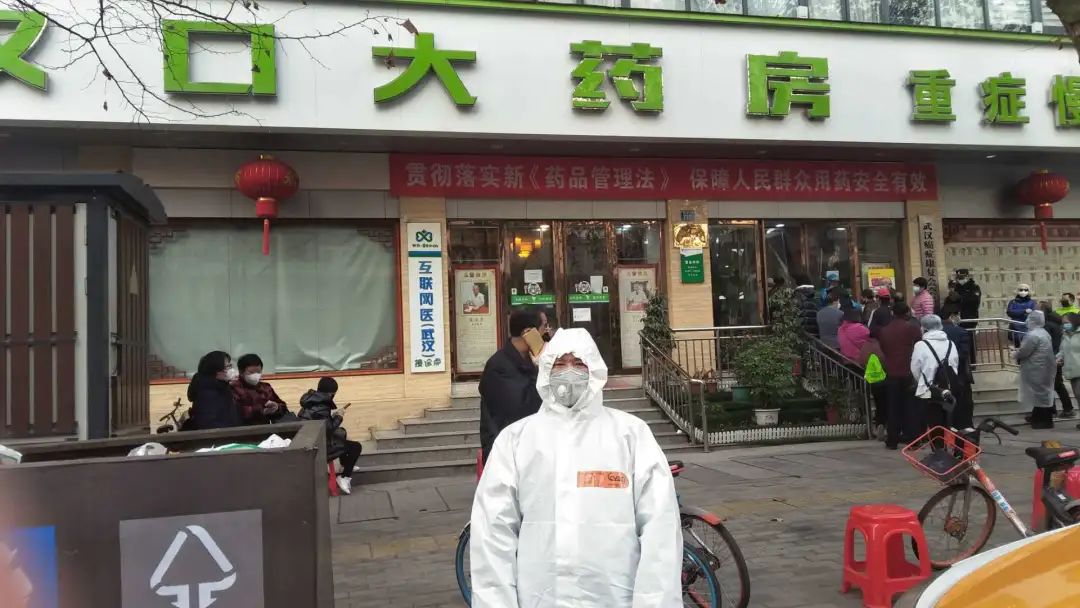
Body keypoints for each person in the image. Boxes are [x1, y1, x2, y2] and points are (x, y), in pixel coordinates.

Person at [469, 328, 682, 607]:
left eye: (579, 363)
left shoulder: (630, 435)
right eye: (560, 364)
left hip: (615, 597)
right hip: (541, 597)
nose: (569, 372)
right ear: (546, 370)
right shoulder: (517, 440)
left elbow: (660, 530)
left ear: (594, 369)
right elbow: (492, 533)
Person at [478, 309, 544, 464]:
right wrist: (542, 369)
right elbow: (523, 409)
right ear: (528, 332)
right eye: (544, 327)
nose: (547, 333)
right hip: (507, 454)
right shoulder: (499, 366)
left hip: (528, 450)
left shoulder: (529, 359)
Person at [299, 377, 362, 495]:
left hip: (311, 439)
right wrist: (339, 416)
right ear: (330, 393)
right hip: (318, 446)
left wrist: (332, 416)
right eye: (333, 394)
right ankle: (344, 477)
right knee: (356, 447)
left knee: (341, 432)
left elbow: (321, 422)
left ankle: (345, 465)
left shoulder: (311, 402)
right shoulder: (321, 406)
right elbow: (328, 429)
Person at [879, 303, 922, 449]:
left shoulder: (884, 330)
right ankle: (913, 439)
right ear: (907, 313)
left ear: (893, 313)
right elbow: (919, 346)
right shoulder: (912, 328)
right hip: (908, 371)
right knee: (910, 407)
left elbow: (884, 349)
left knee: (893, 408)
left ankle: (892, 439)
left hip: (891, 372)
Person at [911, 315, 960, 432]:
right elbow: (955, 364)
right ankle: (947, 441)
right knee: (947, 421)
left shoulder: (920, 345)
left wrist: (921, 381)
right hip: (948, 388)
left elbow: (915, 368)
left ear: (924, 328)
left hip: (928, 390)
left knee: (933, 422)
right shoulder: (951, 343)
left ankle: (936, 443)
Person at [1014, 310, 1057, 430]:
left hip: (1035, 368)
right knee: (1043, 394)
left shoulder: (1032, 335)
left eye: (1029, 318)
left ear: (1033, 320)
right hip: (1044, 368)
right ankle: (1040, 418)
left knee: (1039, 395)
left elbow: (1024, 351)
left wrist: (1015, 354)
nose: (1027, 321)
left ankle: (1043, 421)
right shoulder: (1044, 333)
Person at [187, 351, 242, 430]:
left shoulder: (221, 387)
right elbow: (209, 425)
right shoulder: (207, 394)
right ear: (215, 370)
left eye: (230, 366)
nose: (231, 370)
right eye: (227, 367)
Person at [1038, 302, 1075, 418]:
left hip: (1052, 358)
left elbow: (1047, 344)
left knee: (1053, 385)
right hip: (1056, 357)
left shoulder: (1047, 326)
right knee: (1056, 384)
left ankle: (1058, 409)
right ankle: (1064, 409)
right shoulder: (1055, 323)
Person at [230, 353, 289, 425]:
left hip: (265, 428)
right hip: (243, 429)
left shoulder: (265, 387)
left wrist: (276, 407)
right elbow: (237, 412)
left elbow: (283, 406)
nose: (255, 375)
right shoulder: (233, 388)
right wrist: (261, 410)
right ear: (241, 372)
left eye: (258, 372)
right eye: (251, 372)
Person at [941, 309, 975, 429]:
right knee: (963, 403)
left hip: (941, 375)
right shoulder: (961, 332)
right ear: (952, 316)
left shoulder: (934, 333)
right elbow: (964, 354)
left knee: (946, 403)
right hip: (960, 374)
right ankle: (964, 426)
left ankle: (949, 426)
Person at [858, 336, 889, 440]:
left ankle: (879, 424)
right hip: (886, 378)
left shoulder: (866, 345)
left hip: (873, 381)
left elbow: (861, 361)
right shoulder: (883, 344)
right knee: (887, 404)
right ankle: (886, 425)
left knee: (878, 403)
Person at [952, 269, 982, 363]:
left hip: (970, 318)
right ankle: (963, 362)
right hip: (958, 318)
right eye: (958, 277)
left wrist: (960, 298)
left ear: (967, 277)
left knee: (970, 341)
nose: (960, 279)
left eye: (962, 277)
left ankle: (972, 362)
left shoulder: (974, 286)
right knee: (959, 341)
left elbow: (975, 301)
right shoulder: (957, 287)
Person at [1060, 314, 1080, 426]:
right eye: (1063, 323)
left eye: (1066, 322)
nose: (1064, 325)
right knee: (1078, 395)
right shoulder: (1065, 335)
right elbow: (1062, 350)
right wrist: (1059, 358)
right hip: (1072, 370)